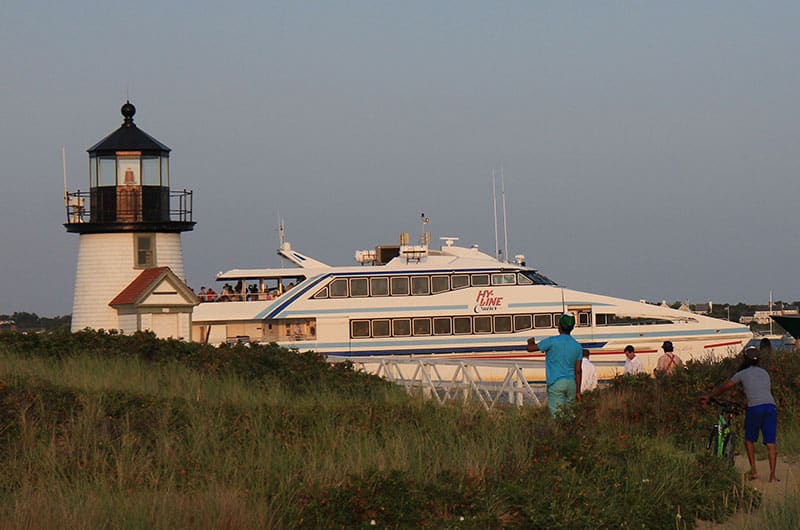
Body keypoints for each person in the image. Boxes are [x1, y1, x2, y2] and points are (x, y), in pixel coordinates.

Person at [702, 346, 778, 482]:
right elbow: (760, 392)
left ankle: (754, 471)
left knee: (749, 439)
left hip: (755, 408)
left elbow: (726, 386)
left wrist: (710, 395)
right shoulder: (765, 373)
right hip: (770, 406)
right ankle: (772, 475)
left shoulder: (742, 373)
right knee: (771, 442)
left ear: (745, 359)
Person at [527, 313, 583, 417]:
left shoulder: (551, 341)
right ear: (572, 327)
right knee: (569, 415)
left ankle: (560, 433)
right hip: (571, 384)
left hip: (556, 383)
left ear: (560, 326)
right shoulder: (577, 346)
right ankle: (570, 432)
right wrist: (578, 391)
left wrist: (530, 342)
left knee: (558, 417)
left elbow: (530, 349)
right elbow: (578, 370)